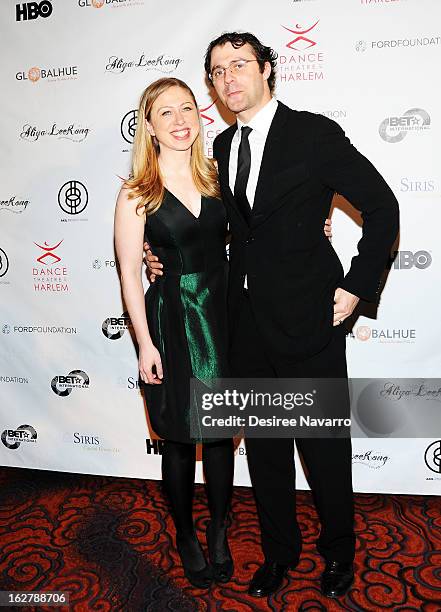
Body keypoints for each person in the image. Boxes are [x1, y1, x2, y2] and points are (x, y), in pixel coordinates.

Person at [147, 32, 399, 599]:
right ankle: (279, 554)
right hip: (248, 325)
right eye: (217, 71)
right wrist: (156, 256)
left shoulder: (313, 133)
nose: (229, 78)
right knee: (264, 453)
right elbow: (217, 232)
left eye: (240, 65)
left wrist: (356, 288)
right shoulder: (218, 149)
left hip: (311, 320)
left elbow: (383, 207)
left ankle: (340, 556)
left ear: (267, 69)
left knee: (324, 451)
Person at [114, 77, 235, 589]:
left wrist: (316, 228)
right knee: (181, 439)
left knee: (223, 438)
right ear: (149, 125)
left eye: (188, 107)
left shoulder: (220, 177)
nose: (181, 119)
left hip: (227, 317)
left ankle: (220, 530)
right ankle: (186, 533)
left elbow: (259, 232)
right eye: (166, 112)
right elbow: (127, 272)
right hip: (173, 321)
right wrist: (144, 343)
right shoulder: (137, 191)